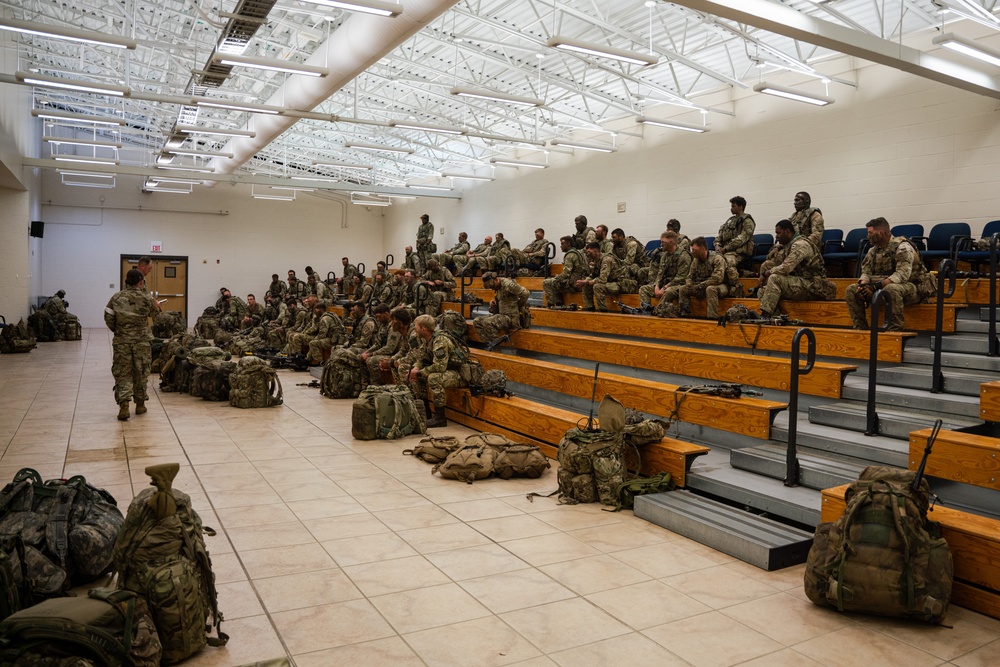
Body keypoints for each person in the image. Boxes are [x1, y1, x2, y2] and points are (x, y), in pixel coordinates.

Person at [845, 217, 937, 331]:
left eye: (870, 233)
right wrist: (864, 286)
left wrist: (874, 287)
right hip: (883, 287)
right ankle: (860, 329)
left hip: (913, 288)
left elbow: (901, 275)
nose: (868, 235)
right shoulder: (873, 250)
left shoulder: (903, 247)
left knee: (892, 289)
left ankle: (895, 330)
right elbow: (866, 271)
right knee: (851, 290)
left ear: (881, 233)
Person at [104, 269, 158, 421]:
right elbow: (157, 316)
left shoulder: (116, 298)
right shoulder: (147, 298)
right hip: (141, 342)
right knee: (141, 371)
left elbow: (108, 318)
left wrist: (120, 331)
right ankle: (140, 405)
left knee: (123, 373)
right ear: (141, 282)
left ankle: (124, 407)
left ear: (126, 281)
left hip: (122, 342)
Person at [756, 219, 837, 319]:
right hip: (800, 283)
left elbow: (786, 268)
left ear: (787, 231)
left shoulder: (800, 245)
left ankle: (765, 316)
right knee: (762, 290)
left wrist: (766, 274)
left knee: (774, 278)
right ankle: (775, 318)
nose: (776, 236)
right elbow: (774, 264)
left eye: (778, 233)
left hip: (813, 286)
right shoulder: (787, 245)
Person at [408, 314, 466, 428]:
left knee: (433, 378)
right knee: (415, 375)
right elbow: (421, 358)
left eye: (416, 327)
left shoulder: (440, 341)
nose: (415, 329)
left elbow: (440, 367)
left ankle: (440, 418)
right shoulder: (427, 340)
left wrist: (421, 372)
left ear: (424, 329)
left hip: (458, 373)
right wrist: (415, 368)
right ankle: (426, 413)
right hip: (446, 372)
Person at [678, 236, 735, 319]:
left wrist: (700, 285)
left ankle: (712, 318)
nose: (692, 252)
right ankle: (684, 314)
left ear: (702, 248)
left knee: (710, 289)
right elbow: (689, 277)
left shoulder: (717, 258)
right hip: (701, 286)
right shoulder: (695, 261)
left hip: (721, 286)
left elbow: (717, 279)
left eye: (694, 250)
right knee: (683, 289)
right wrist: (689, 284)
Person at [639, 231, 691, 315]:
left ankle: (657, 312)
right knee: (643, 289)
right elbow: (660, 273)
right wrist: (657, 286)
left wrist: (664, 288)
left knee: (668, 291)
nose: (661, 244)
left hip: (678, 286)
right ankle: (646, 311)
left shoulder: (683, 255)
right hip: (665, 285)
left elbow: (681, 278)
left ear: (671, 242)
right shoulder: (664, 256)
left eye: (663, 242)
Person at [473, 272, 530, 343]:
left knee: (487, 322)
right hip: (502, 315)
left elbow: (526, 293)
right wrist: (495, 300)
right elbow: (503, 297)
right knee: (477, 321)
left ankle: (495, 349)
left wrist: (519, 305)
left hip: (511, 318)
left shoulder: (508, 285)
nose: (493, 288)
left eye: (493, 286)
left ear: (497, 279)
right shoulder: (498, 286)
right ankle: (488, 344)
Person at [365, 306, 408, 385]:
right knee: (363, 356)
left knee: (371, 360)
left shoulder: (394, 329)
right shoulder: (383, 326)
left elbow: (390, 348)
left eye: (379, 316)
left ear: (386, 314)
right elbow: (377, 344)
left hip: (392, 353)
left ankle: (377, 385)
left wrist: (372, 354)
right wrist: (367, 352)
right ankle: (366, 383)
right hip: (391, 354)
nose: (377, 319)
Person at [542, 236, 590, 307]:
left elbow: (566, 274)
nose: (561, 246)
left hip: (574, 284)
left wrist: (556, 277)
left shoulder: (570, 255)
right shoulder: (579, 252)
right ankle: (559, 303)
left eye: (562, 244)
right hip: (581, 281)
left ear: (568, 244)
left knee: (547, 282)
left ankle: (551, 305)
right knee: (556, 282)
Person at [579, 241, 625, 312]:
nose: (588, 254)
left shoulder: (606, 259)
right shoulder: (596, 260)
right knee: (585, 285)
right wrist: (586, 281)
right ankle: (590, 309)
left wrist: (588, 282)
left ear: (596, 251)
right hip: (608, 283)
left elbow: (602, 279)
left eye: (589, 252)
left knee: (597, 286)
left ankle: (603, 311)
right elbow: (593, 275)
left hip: (618, 283)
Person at [715, 196, 756, 272]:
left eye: (734, 206)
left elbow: (741, 239)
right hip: (726, 250)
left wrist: (725, 248)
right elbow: (720, 235)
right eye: (731, 206)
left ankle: (734, 281)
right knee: (711, 259)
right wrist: (717, 245)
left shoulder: (747, 221)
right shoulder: (730, 221)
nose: (731, 208)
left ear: (741, 207)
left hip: (739, 252)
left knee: (726, 261)